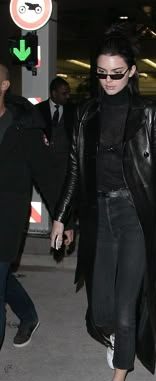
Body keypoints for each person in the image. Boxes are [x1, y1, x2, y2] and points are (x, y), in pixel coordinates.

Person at [51, 24, 156, 381]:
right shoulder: (84, 114)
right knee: (100, 312)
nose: (109, 80)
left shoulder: (148, 114)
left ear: (131, 71)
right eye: (102, 73)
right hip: (99, 217)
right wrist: (62, 216)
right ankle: (115, 336)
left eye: (117, 73)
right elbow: (75, 170)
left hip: (134, 217)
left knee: (128, 306)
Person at [0, 63, 73, 350]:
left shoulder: (24, 128)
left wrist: (63, 217)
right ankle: (28, 315)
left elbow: (46, 176)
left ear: (4, 85)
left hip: (8, 215)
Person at [36, 77, 75, 258]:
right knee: (52, 197)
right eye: (63, 93)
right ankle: (62, 228)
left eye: (68, 93)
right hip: (45, 165)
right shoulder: (38, 111)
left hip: (66, 164)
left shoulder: (73, 112)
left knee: (65, 197)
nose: (68, 96)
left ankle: (65, 228)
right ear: (53, 94)